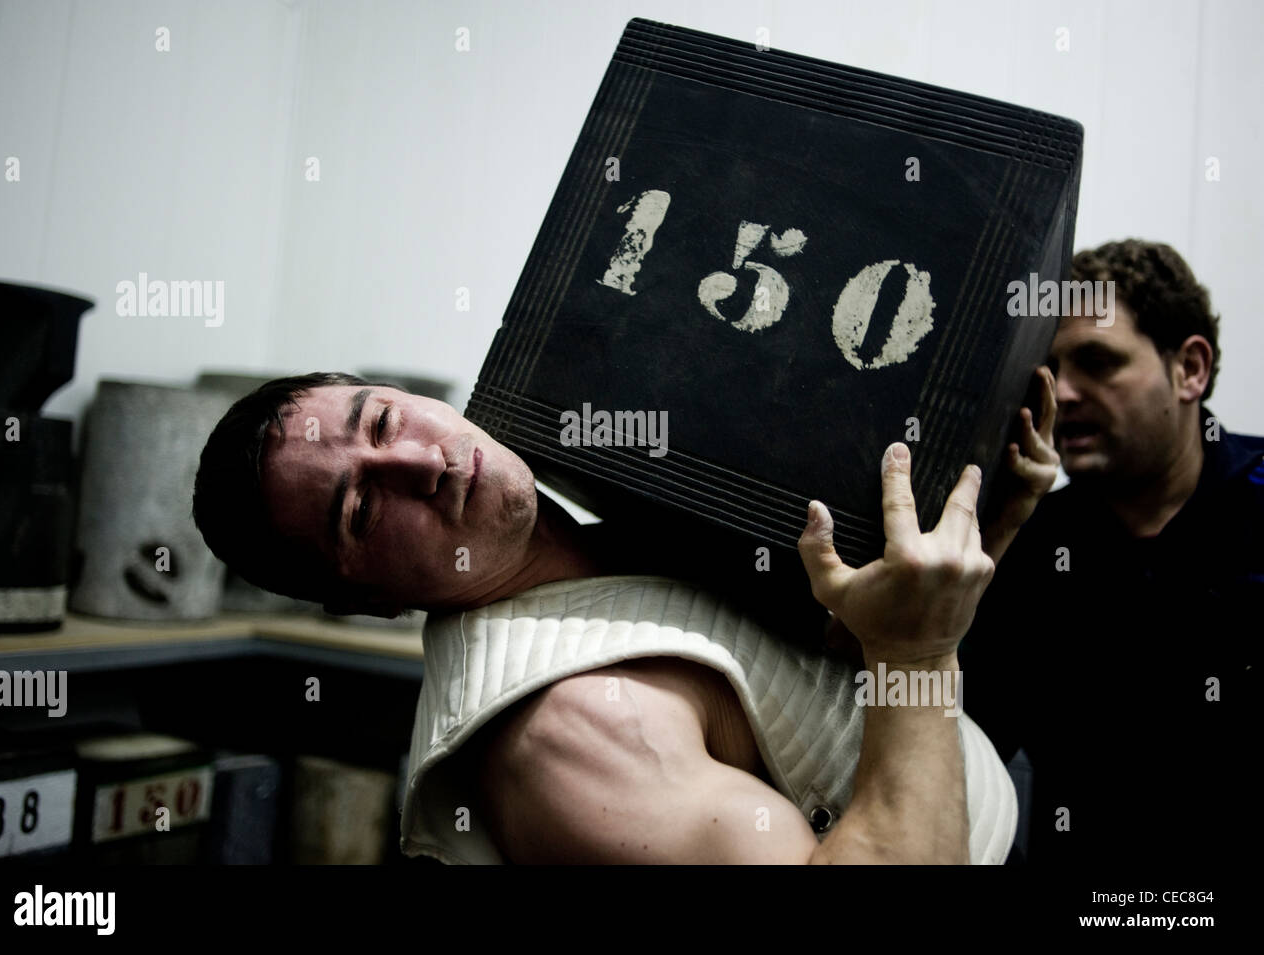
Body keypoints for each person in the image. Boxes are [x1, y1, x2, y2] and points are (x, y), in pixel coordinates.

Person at [192, 371, 1057, 863]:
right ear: (369, 602)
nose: (422, 460)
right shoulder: (570, 734)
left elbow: (815, 674)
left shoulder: (607, 528)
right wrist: (920, 648)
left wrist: (988, 528)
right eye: (361, 512)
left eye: (381, 418)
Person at [961, 239, 1263, 866]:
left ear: (1191, 369)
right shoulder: (1034, 543)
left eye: (1098, 362)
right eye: (1050, 371)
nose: (1064, 394)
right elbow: (966, 753)